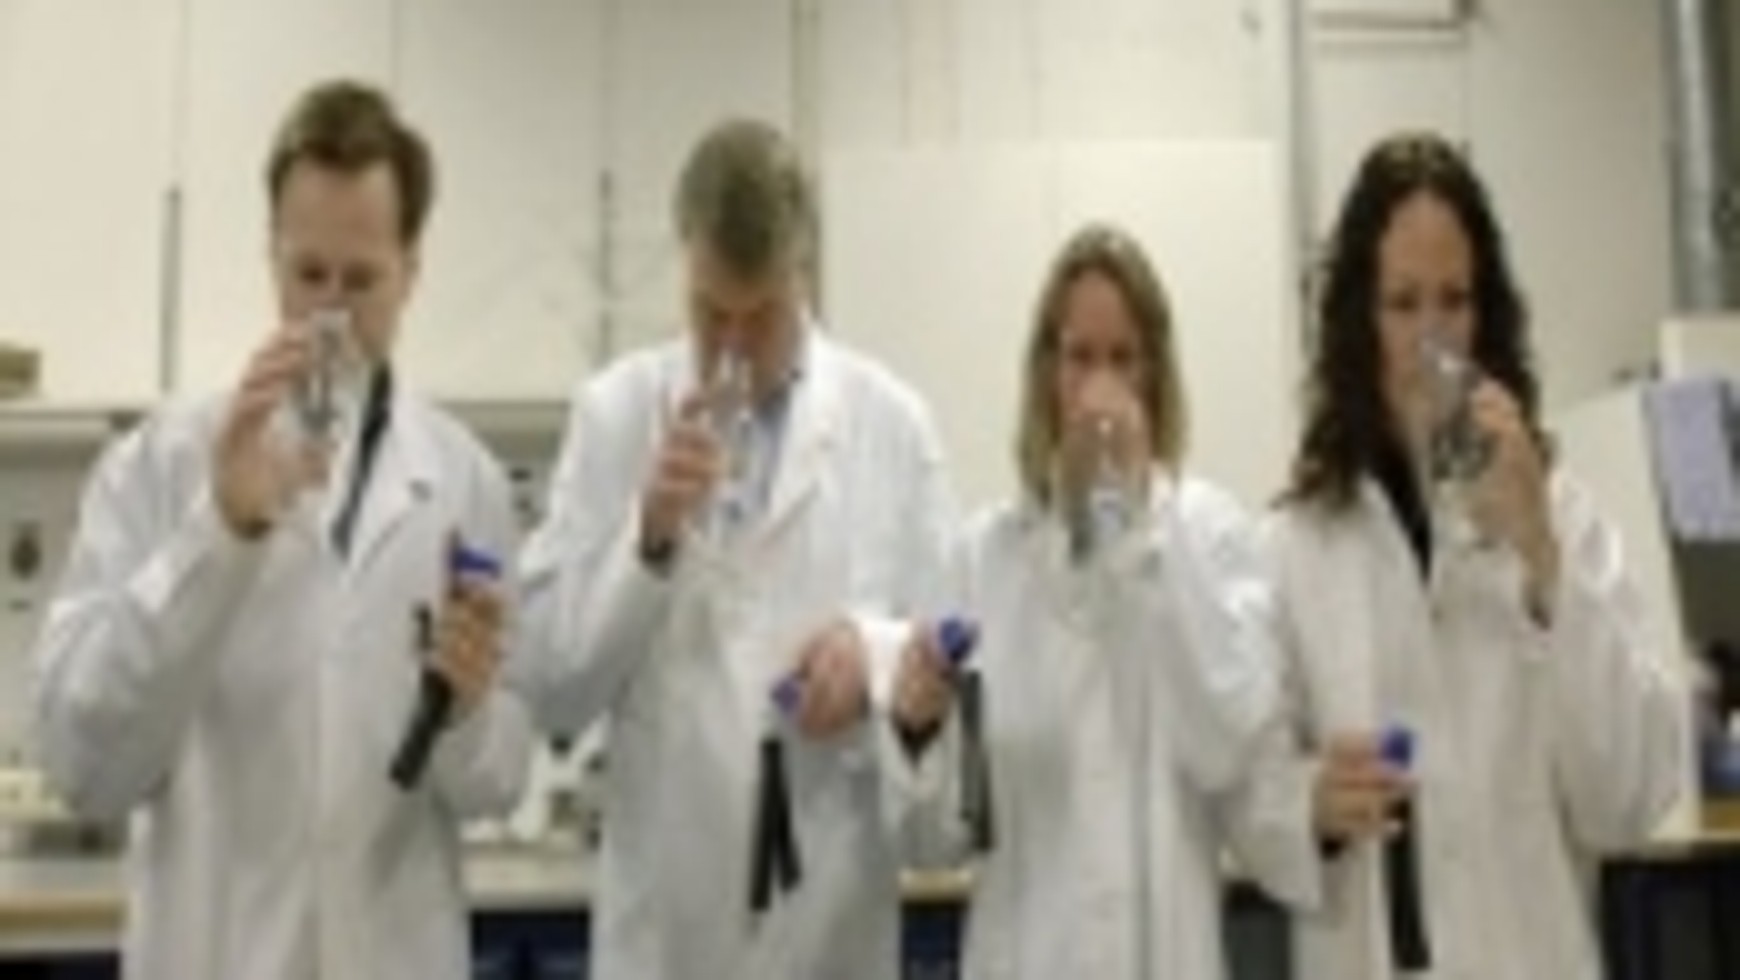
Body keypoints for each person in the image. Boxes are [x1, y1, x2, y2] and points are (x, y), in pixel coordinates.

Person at [32, 80, 533, 980]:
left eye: (361, 280)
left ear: (411, 270)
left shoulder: (466, 485)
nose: (330, 312)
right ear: (271, 257)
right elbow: (84, 762)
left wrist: (465, 712)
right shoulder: (159, 467)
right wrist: (219, 533)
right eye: (309, 276)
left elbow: (500, 784)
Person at [1240, 131, 1686, 980]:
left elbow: (1628, 798)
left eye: (1454, 300)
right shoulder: (1295, 547)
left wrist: (1543, 558)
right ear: (1358, 322)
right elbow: (1247, 799)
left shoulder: (1564, 519)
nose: (1431, 338)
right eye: (1402, 304)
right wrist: (1308, 805)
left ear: (1488, 317)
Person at [515, 118, 954, 979]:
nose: (735, 346)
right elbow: (554, 689)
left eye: (763, 315)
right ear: (685, 263)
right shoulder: (616, 416)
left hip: (828, 934)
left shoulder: (892, 429)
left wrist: (872, 658)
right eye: (712, 313)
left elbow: (949, 673)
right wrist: (646, 542)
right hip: (666, 939)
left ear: (804, 271)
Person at [889, 223, 1280, 979]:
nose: (1101, 391)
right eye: (1080, 358)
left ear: (1155, 376)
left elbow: (1230, 748)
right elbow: (933, 840)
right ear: (1047, 374)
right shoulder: (984, 562)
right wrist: (916, 729)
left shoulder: (1211, 541)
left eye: (1123, 359)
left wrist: (1142, 538)